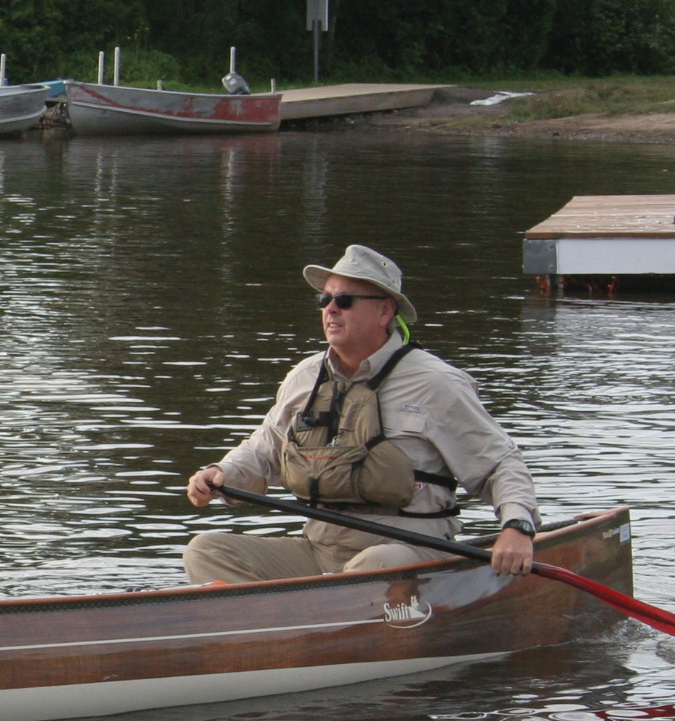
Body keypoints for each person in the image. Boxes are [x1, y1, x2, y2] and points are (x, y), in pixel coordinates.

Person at [182, 246, 539, 584]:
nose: (331, 309)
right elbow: (263, 451)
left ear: (385, 312)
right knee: (207, 551)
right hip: (322, 550)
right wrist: (220, 472)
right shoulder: (304, 377)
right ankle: (282, 637)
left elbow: (500, 464)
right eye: (325, 299)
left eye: (345, 301)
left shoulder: (437, 383)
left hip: (410, 552)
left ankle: (316, 628)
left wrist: (517, 527)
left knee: (373, 567)